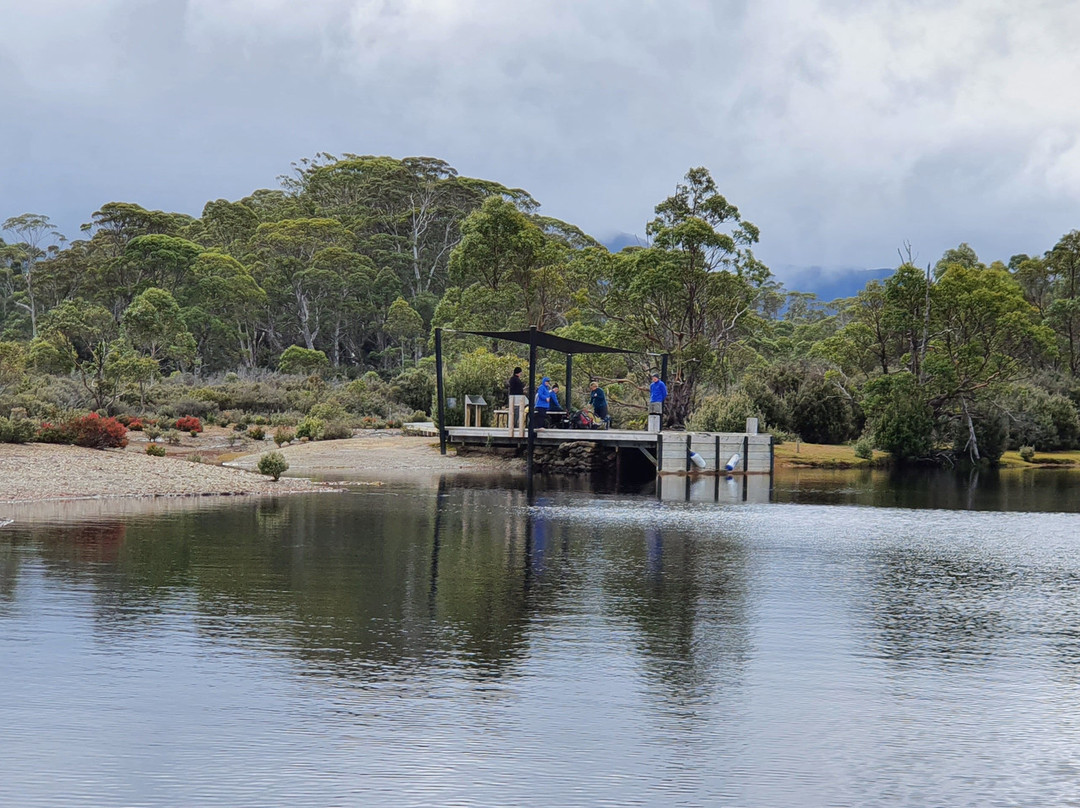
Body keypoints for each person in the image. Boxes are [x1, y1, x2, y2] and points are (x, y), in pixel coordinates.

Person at [507, 366, 527, 437]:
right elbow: (519, 389)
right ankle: (515, 425)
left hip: (513, 398)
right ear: (518, 373)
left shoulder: (512, 379)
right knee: (516, 413)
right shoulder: (516, 380)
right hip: (517, 399)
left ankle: (512, 425)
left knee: (513, 413)